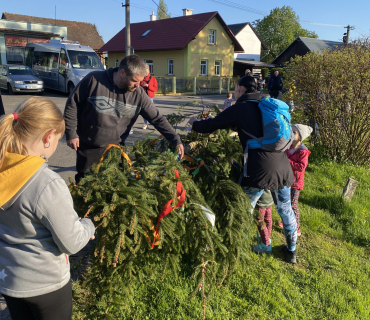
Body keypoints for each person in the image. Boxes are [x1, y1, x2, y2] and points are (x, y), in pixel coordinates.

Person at [0, 97, 95, 320]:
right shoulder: (46, 183)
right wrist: (89, 225)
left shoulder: (4, 169)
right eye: (58, 140)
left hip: (10, 281)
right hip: (46, 286)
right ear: (47, 137)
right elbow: (71, 242)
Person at [188, 76, 298, 263]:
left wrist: (194, 123)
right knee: (285, 208)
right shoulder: (266, 106)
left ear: (240, 88)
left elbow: (211, 125)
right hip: (282, 165)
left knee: (243, 209)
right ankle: (291, 252)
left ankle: (235, 248)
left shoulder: (240, 108)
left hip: (259, 169)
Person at [64, 55, 184, 183]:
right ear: (122, 73)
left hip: (116, 149)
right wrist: (71, 133)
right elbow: (72, 105)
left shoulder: (139, 95)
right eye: (135, 81)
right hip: (89, 148)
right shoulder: (94, 81)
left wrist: (176, 140)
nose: (138, 85)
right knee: (86, 187)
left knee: (114, 189)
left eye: (141, 82)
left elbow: (157, 118)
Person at [278, 124, 312, 237]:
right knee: (285, 203)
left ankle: (296, 227)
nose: (291, 134)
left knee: (293, 204)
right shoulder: (289, 147)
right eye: (291, 131)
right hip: (286, 179)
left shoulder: (303, 151)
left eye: (294, 132)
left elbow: (301, 166)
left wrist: (287, 161)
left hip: (296, 182)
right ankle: (286, 222)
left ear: (300, 136)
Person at [140, 64, 158, 130]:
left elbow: (155, 89)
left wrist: (148, 86)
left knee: (152, 111)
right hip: (143, 97)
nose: (145, 71)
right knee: (144, 111)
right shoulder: (141, 79)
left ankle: (154, 124)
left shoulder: (153, 79)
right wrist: (142, 85)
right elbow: (138, 87)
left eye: (146, 70)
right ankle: (145, 123)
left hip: (150, 97)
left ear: (148, 70)